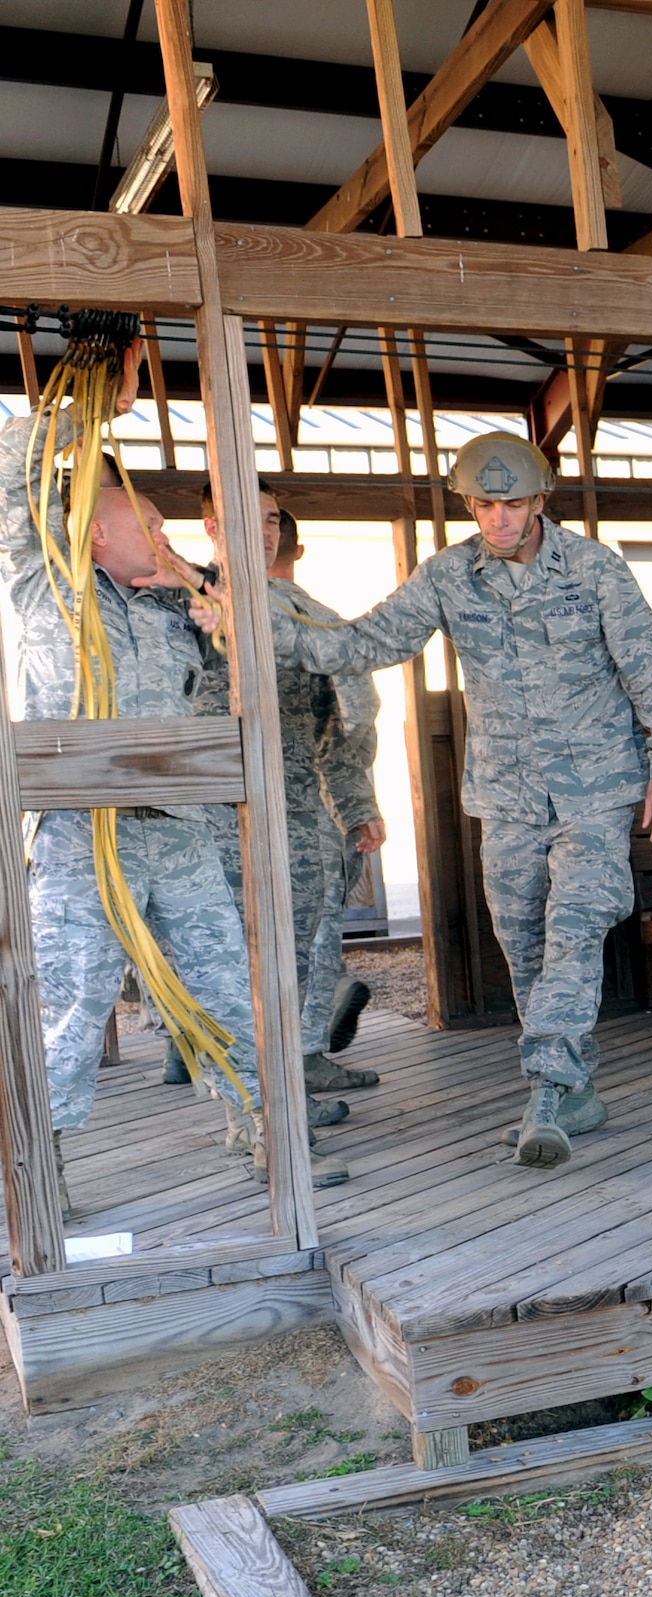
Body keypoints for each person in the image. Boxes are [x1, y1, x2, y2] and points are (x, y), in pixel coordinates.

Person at [266, 432, 652, 1169]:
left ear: (540, 502)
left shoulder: (594, 570)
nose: (498, 519)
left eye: (514, 504)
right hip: (507, 796)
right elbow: (365, 642)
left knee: (575, 925)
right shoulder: (449, 576)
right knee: (522, 938)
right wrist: (259, 621)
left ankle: (549, 1091)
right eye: (485, 504)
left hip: (597, 791)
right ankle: (577, 1083)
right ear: (469, 503)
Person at [0, 336, 269, 1211]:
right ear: (98, 530)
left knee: (226, 985)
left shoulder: (180, 608)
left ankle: (259, 1133)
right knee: (74, 1010)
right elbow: (11, 473)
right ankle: (49, 1172)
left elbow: (272, 652)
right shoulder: (48, 578)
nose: (160, 533)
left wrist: (200, 580)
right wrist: (86, 410)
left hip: (178, 833)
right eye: (147, 524)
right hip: (82, 835)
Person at [194, 481, 371, 1149]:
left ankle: (283, 1093)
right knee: (227, 969)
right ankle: (248, 1113)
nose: (263, 531)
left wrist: (355, 806)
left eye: (271, 519)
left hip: (295, 820)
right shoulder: (183, 602)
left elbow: (339, 722)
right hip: (214, 823)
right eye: (246, 517)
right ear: (212, 524)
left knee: (292, 965)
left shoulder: (301, 614)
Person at [265, 510, 385, 1076]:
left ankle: (185, 1050)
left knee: (217, 935)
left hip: (203, 810)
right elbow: (353, 723)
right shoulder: (322, 623)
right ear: (301, 550)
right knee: (312, 935)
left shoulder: (194, 609)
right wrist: (359, 806)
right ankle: (305, 1057)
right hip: (308, 807)